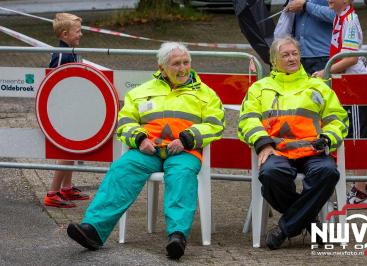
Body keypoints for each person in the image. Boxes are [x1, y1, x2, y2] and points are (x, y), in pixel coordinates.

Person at [67, 42, 225, 260]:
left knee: (180, 176)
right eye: (176, 64)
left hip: (183, 152)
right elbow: (125, 121)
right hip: (147, 150)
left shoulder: (206, 94)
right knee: (121, 169)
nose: (182, 68)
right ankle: (93, 229)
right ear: (162, 68)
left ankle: (177, 236)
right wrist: (139, 139)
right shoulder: (141, 91)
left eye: (186, 62)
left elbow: (215, 124)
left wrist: (187, 139)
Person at [238, 37, 348, 250]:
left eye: (295, 53)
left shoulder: (318, 86)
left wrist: (327, 138)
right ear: (274, 60)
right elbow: (247, 120)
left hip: (312, 149)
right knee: (270, 175)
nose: (291, 58)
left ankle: (285, 228)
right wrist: (263, 144)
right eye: (285, 55)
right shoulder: (260, 88)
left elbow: (338, 119)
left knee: (328, 173)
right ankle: (310, 223)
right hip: (277, 150)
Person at [312, 0, 367, 205]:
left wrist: (325, 72)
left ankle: (360, 191)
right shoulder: (341, 16)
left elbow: (350, 58)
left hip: (356, 87)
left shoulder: (350, 19)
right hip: (348, 85)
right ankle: (363, 184)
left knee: (357, 138)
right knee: (350, 133)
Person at [43, 13, 89, 208]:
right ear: (64, 34)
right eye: (77, 31)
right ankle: (52, 192)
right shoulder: (62, 54)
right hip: (65, 109)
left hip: (72, 107)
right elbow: (54, 82)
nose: (81, 35)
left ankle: (67, 187)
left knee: (73, 147)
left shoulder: (71, 51)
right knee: (67, 148)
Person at [285, 0, 335, 75]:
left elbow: (335, 15)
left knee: (321, 86)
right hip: (298, 56)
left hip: (322, 57)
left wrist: (306, 5)